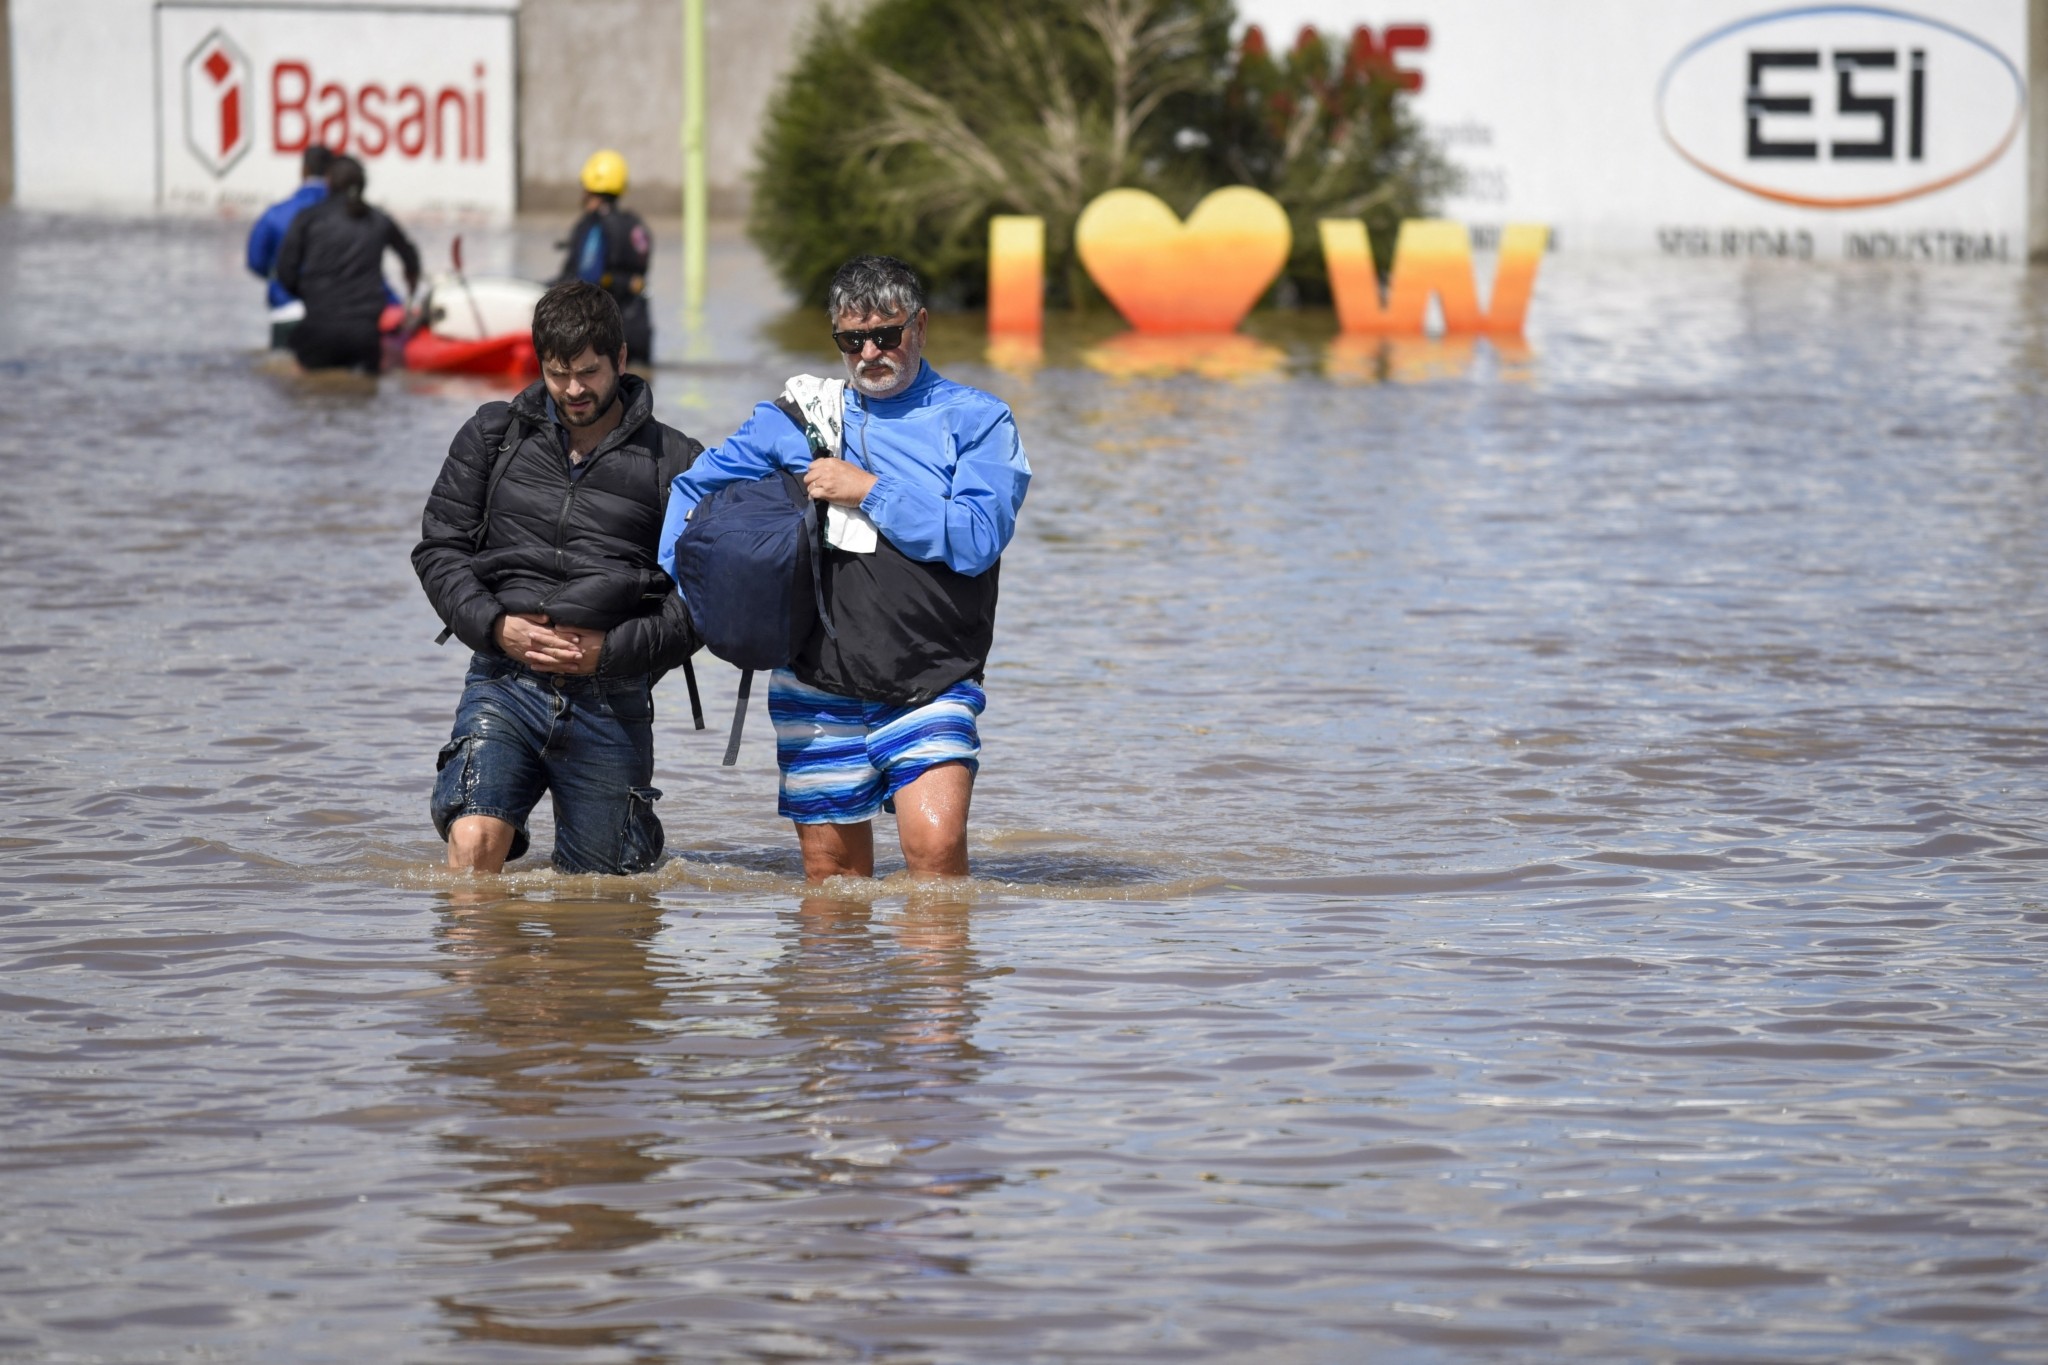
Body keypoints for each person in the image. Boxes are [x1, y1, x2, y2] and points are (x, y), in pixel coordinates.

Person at [658, 255, 1030, 884]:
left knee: (936, 856)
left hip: (932, 675)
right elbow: (692, 490)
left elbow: (978, 537)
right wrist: (694, 596)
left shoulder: (978, 420)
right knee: (832, 882)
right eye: (852, 340)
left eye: (886, 334)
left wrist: (868, 490)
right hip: (814, 680)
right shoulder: (798, 418)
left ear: (921, 325)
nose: (869, 354)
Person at [413, 281, 704, 876]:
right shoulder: (491, 436)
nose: (574, 390)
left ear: (621, 359)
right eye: (557, 373)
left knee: (600, 900)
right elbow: (440, 550)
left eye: (589, 372)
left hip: (612, 698)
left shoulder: (678, 462)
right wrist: (496, 626)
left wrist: (611, 651)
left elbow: (704, 599)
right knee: (473, 841)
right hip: (502, 680)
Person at [275, 155, 420, 373]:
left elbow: (285, 272)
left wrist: (309, 295)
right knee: (364, 391)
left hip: (318, 328)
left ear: (328, 182)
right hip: (365, 335)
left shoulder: (308, 218)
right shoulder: (379, 219)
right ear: (363, 184)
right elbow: (410, 256)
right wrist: (411, 290)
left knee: (309, 389)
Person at [556, 149, 654, 365]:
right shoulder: (635, 225)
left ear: (589, 188)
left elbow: (585, 278)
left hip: (604, 334)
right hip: (637, 330)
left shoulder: (594, 225)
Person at [246, 144, 334, 349]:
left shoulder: (275, 213)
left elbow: (255, 261)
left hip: (286, 311)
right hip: (332, 313)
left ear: (303, 170)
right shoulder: (344, 214)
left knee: (281, 368)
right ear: (332, 172)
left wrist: (280, 278)